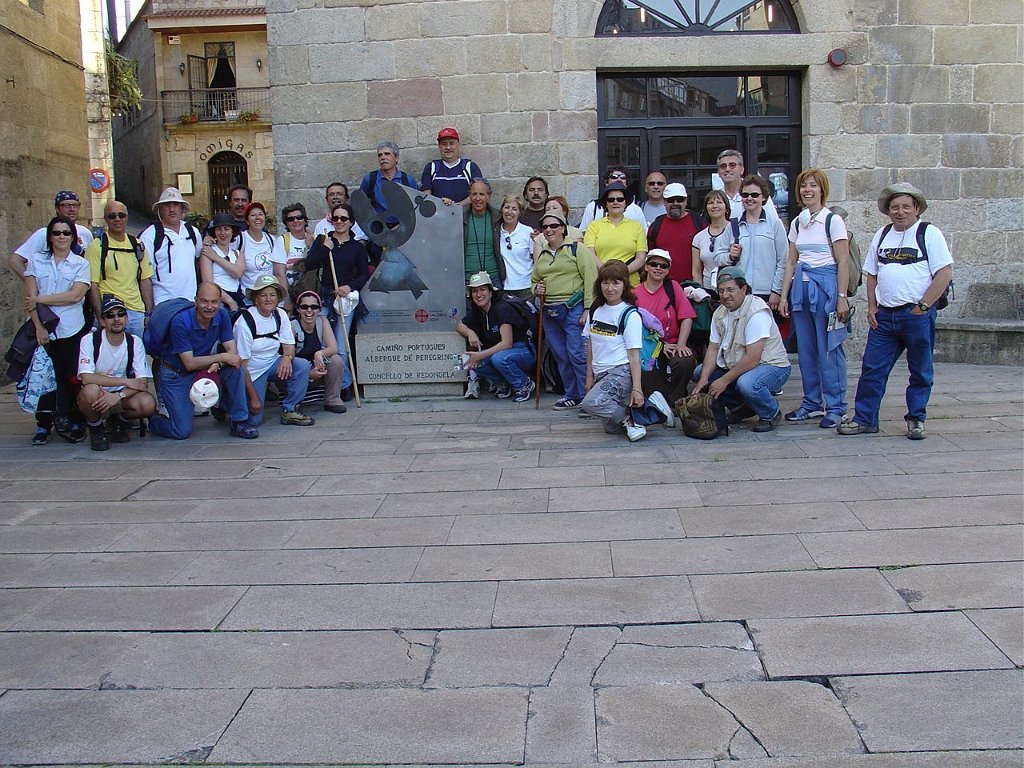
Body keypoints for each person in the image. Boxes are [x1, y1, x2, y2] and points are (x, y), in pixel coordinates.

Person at [838, 182, 954, 440]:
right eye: (894, 208)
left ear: (917, 209)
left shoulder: (929, 233)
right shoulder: (882, 234)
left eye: (905, 207)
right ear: (888, 211)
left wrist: (923, 306)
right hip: (885, 316)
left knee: (920, 370)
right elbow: (872, 274)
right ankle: (865, 419)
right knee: (872, 369)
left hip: (916, 316)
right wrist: (872, 306)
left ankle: (916, 419)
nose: (900, 212)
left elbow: (944, 273)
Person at [778, 168, 851, 429]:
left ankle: (836, 406)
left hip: (826, 289)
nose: (807, 190)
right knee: (807, 350)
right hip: (801, 290)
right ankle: (811, 403)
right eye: (803, 186)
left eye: (813, 185)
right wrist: (784, 296)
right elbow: (790, 262)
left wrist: (841, 297)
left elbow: (843, 261)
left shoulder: (833, 221)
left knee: (829, 349)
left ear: (822, 190)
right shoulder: (798, 222)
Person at [147, 283, 258, 440]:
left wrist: (219, 362)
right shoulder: (180, 321)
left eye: (214, 302)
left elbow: (232, 353)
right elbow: (189, 363)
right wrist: (221, 358)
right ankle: (154, 421)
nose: (209, 307)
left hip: (202, 368)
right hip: (176, 374)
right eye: (204, 301)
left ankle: (239, 421)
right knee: (181, 431)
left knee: (235, 368)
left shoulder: (222, 315)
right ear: (196, 301)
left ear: (220, 302)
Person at [580, 260, 674, 442]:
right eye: (605, 282)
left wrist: (637, 389)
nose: (610, 288)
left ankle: (632, 417)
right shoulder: (595, 309)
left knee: (591, 404)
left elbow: (633, 354)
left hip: (620, 371)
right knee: (612, 429)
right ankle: (652, 407)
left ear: (624, 285)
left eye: (616, 283)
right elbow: (590, 344)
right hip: (600, 372)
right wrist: (589, 376)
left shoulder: (629, 314)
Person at [693, 266, 792, 432]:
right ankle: (742, 408)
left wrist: (723, 381)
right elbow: (713, 348)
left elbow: (753, 358)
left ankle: (770, 413)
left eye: (730, 290)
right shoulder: (720, 312)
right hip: (740, 364)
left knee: (747, 384)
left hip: (772, 365)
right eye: (721, 291)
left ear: (744, 289)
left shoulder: (756, 312)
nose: (725, 295)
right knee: (700, 373)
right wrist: (703, 379)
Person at [23, 216, 91, 443]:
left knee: (71, 377)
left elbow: (75, 296)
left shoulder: (80, 263)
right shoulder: (36, 261)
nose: (61, 236)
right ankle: (43, 424)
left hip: (71, 328)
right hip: (43, 328)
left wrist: (41, 298)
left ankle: (76, 420)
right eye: (56, 232)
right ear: (50, 237)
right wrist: (38, 327)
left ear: (72, 237)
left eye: (66, 232)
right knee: (43, 377)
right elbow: (29, 299)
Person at [304, 202, 369, 399]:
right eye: (336, 218)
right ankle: (337, 383)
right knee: (324, 343)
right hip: (325, 297)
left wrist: (349, 287)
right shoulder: (324, 240)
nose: (339, 222)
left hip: (345, 300)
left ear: (351, 222)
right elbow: (309, 264)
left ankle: (343, 385)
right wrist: (325, 249)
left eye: (343, 218)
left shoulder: (357, 247)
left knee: (341, 346)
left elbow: (363, 276)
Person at [532, 211, 596, 410]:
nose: (548, 230)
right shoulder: (542, 255)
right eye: (545, 227)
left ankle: (587, 397)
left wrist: (588, 308)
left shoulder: (577, 249)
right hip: (549, 311)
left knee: (577, 353)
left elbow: (591, 277)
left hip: (573, 308)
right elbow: (534, 281)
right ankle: (572, 394)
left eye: (553, 226)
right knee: (560, 354)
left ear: (563, 228)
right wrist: (536, 289)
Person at [76, 295, 156, 451]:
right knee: (90, 391)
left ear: (126, 319)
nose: (116, 319)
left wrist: (118, 395)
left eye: (121, 314)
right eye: (110, 315)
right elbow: (86, 377)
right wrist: (124, 381)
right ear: (102, 321)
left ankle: (119, 420)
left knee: (147, 403)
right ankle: (96, 428)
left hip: (123, 396)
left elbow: (142, 383)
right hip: (99, 395)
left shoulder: (134, 341)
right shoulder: (89, 340)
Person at [235, 274, 314, 426]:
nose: (268, 299)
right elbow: (242, 366)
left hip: (273, 363)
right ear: (256, 299)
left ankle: (290, 409)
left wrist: (287, 358)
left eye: (272, 295)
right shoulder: (244, 322)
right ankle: (225, 404)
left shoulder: (280, 314)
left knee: (302, 365)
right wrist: (254, 398)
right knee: (253, 420)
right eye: (263, 295)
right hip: (252, 371)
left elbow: (289, 345)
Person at [457, 271, 536, 402]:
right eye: (474, 291)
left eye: (482, 289)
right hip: (500, 352)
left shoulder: (502, 308)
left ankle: (524, 384)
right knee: (466, 361)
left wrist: (480, 355)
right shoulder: (479, 311)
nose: (478, 294)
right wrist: (470, 333)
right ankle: (504, 382)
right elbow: (459, 325)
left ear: (491, 292)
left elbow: (507, 343)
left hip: (522, 350)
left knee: (498, 359)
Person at [635, 248, 698, 407]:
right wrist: (660, 346)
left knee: (685, 360)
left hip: (673, 343)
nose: (658, 268)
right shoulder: (635, 293)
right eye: (654, 264)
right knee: (652, 387)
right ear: (646, 267)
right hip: (648, 348)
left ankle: (676, 400)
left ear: (668, 270)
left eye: (663, 266)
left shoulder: (673, 287)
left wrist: (682, 344)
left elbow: (687, 317)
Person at [85, 200, 154, 338]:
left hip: (136, 312)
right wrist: (100, 316)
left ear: (127, 218)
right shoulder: (96, 247)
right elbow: (93, 285)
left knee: (135, 350)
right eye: (112, 216)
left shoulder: (137, 245)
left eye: (121, 215)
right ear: (106, 219)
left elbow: (145, 280)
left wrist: (148, 313)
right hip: (110, 312)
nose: (117, 219)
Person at [730, 174, 788, 320]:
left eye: (754, 195)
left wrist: (776, 291)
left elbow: (783, 260)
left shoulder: (775, 224)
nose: (749, 198)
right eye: (745, 195)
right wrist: (730, 255)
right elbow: (722, 258)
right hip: (740, 292)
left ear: (764, 197)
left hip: (767, 293)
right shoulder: (733, 225)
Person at [138, 187, 203, 305]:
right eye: (167, 205)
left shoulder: (193, 232)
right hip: (163, 303)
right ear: (160, 210)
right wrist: (150, 309)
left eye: (176, 205)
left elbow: (199, 263)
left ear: (182, 209)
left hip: (191, 301)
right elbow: (145, 276)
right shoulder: (150, 236)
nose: (172, 209)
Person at [10, 191, 93, 279]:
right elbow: (15, 260)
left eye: (75, 205)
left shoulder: (85, 233)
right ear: (57, 208)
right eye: (66, 205)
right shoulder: (43, 234)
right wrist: (32, 283)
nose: (72, 209)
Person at [291, 290, 347, 414]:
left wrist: (319, 354)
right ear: (298, 309)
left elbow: (333, 347)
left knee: (336, 360)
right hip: (298, 372)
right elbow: (289, 358)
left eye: (314, 307)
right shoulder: (292, 326)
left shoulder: (322, 321)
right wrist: (308, 374)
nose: (309, 310)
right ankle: (293, 403)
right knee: (299, 364)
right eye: (304, 307)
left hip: (317, 367)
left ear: (319, 309)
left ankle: (332, 399)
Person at [583, 182, 647, 286]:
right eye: (611, 200)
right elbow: (590, 254)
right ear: (606, 203)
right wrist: (607, 273)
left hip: (630, 283)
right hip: (603, 282)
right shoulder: (594, 226)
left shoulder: (637, 227)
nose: (615, 202)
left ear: (625, 203)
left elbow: (641, 258)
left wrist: (620, 274)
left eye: (620, 199)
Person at [648, 182, 701, 284]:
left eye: (680, 200)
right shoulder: (656, 225)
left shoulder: (699, 223)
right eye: (670, 200)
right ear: (664, 202)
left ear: (686, 201)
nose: (675, 203)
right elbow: (650, 258)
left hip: (692, 285)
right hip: (663, 285)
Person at [238, 202, 288, 304]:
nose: (257, 218)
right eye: (253, 215)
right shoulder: (240, 239)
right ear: (247, 221)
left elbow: (279, 271)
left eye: (260, 214)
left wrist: (283, 301)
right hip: (249, 298)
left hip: (269, 298)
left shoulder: (271, 239)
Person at [420, 127, 483, 207]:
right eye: (444, 144)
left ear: (458, 145)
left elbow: (479, 193)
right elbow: (426, 196)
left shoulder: (470, 167)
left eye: (451, 143)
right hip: (439, 213)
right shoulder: (431, 168)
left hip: (464, 213)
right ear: (439, 146)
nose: (448, 147)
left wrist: (456, 207)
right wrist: (442, 205)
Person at [463, 179, 505, 287]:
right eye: (474, 194)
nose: (477, 198)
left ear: (488, 196)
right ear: (470, 196)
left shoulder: (498, 218)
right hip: (467, 279)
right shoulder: (459, 217)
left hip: (493, 278)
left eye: (481, 194)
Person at [716, 149, 779, 222]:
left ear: (742, 169)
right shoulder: (716, 197)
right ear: (718, 172)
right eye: (723, 166)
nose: (727, 169)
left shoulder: (757, 192)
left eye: (732, 165)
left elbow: (773, 221)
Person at [578, 167, 647, 233]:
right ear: (606, 182)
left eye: (623, 177)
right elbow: (583, 233)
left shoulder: (636, 210)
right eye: (614, 177)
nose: (619, 180)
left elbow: (643, 234)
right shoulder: (593, 207)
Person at [199, 213, 245, 312]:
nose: (222, 233)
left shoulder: (237, 254)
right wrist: (230, 302)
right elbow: (208, 283)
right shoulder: (207, 251)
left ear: (232, 231)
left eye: (226, 229)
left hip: (237, 295)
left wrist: (216, 257)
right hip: (217, 300)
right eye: (219, 229)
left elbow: (238, 273)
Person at [692, 189, 734, 290]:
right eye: (711, 203)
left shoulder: (736, 230)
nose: (715, 206)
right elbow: (696, 271)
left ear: (726, 207)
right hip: (708, 290)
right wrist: (701, 293)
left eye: (719, 202)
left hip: (732, 290)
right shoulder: (699, 237)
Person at [360, 141, 419, 211]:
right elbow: (359, 204)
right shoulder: (370, 179)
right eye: (380, 155)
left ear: (396, 158)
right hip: (378, 218)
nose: (383, 157)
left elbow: (417, 206)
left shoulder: (408, 180)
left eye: (387, 154)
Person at [274, 203, 316, 295]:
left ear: (305, 220)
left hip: (311, 292)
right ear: (286, 223)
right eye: (291, 219)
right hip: (291, 292)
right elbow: (279, 273)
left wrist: (312, 246)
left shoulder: (314, 239)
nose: (295, 221)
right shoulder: (283, 240)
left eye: (299, 217)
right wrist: (286, 297)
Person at [497, 195, 534, 298]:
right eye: (507, 207)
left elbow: (535, 258)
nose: (510, 212)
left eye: (514, 209)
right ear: (502, 210)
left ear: (520, 213)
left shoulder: (528, 231)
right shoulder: (496, 231)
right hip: (505, 286)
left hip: (526, 286)